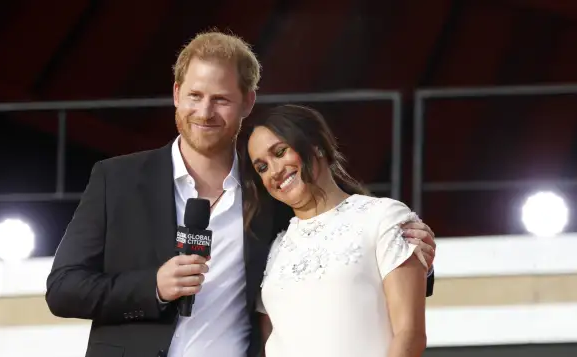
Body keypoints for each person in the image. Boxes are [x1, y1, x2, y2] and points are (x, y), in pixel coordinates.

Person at [45, 31, 437, 357]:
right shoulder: (117, 179)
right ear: (177, 93)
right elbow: (63, 290)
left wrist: (412, 255)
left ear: (247, 102)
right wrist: (153, 287)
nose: (204, 112)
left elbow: (335, 244)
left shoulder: (269, 191)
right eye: (195, 95)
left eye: (221, 99)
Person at [239, 104, 428, 357]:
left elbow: (410, 335)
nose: (274, 171)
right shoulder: (274, 249)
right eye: (262, 167)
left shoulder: (383, 217)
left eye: (280, 152)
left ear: (316, 145)